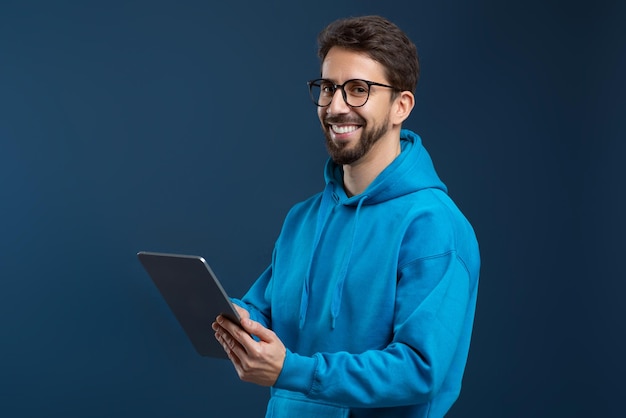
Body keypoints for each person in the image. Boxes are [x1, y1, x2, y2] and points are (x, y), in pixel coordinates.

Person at [212, 15, 480, 418]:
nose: (336, 106)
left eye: (358, 90)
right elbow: (263, 310)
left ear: (400, 106)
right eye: (328, 88)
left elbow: (420, 370)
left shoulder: (434, 227)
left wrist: (293, 370)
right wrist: (231, 317)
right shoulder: (302, 219)